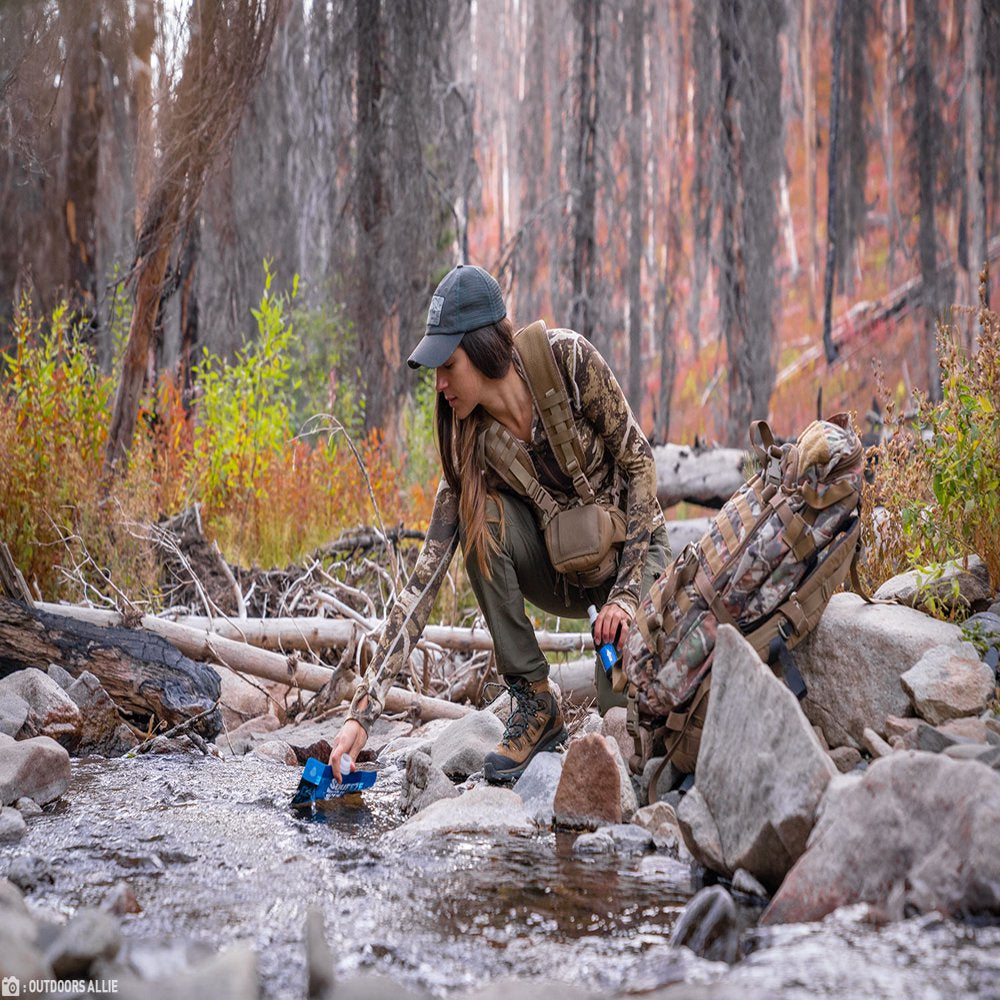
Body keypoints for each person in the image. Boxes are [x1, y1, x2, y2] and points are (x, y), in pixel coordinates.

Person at [329, 263, 670, 784]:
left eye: (448, 363)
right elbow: (422, 584)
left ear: (485, 349)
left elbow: (641, 464)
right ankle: (536, 704)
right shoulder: (472, 448)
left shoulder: (569, 360)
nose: (439, 383)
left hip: (634, 559)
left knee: (624, 716)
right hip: (561, 573)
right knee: (477, 519)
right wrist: (361, 714)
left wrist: (626, 595)